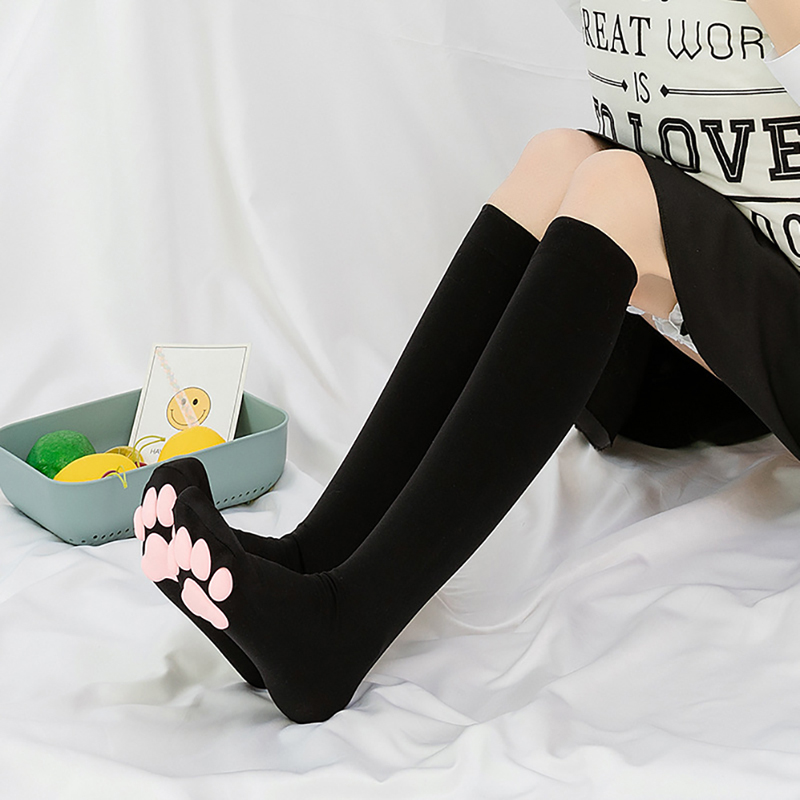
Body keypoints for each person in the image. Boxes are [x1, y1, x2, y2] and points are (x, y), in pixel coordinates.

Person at [134, 0, 800, 723]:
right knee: (561, 160)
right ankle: (314, 556)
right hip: (703, 362)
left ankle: (343, 627)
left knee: (617, 187)